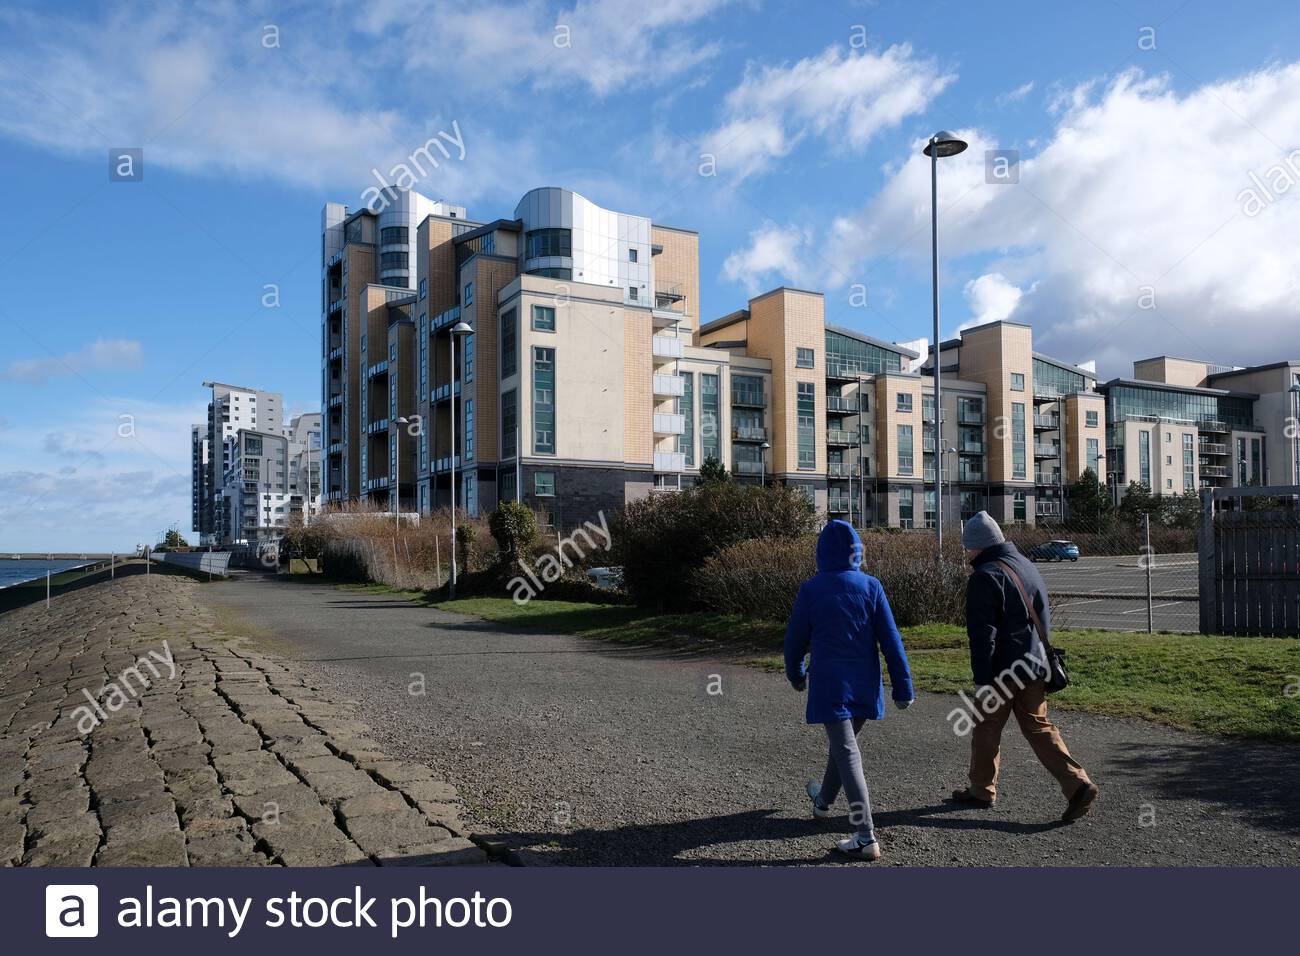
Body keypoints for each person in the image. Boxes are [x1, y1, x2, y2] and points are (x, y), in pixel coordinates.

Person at [950, 511, 1099, 822]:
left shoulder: (985, 576)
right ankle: (1077, 783)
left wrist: (982, 678)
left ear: (979, 546)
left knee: (987, 725)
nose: (968, 554)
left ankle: (981, 789)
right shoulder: (1025, 565)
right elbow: (1041, 615)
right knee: (1038, 726)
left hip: (1003, 671)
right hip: (1034, 663)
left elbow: (982, 634)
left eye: (969, 548)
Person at [784, 519, 914, 861]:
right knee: (843, 748)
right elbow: (891, 640)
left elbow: (795, 640)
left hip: (830, 684)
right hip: (865, 684)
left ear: (822, 553)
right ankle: (823, 803)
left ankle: (864, 834)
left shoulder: (811, 589)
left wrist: (796, 673)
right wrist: (903, 686)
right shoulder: (872, 586)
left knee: (847, 753)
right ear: (857, 552)